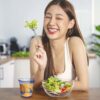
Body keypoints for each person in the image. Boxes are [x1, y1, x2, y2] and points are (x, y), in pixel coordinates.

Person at [30, 0, 89, 91]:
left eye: (58, 18)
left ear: (71, 24)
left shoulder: (75, 43)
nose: (51, 23)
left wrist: (55, 85)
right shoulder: (37, 43)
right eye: (48, 17)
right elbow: (34, 86)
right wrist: (41, 69)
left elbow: (84, 84)